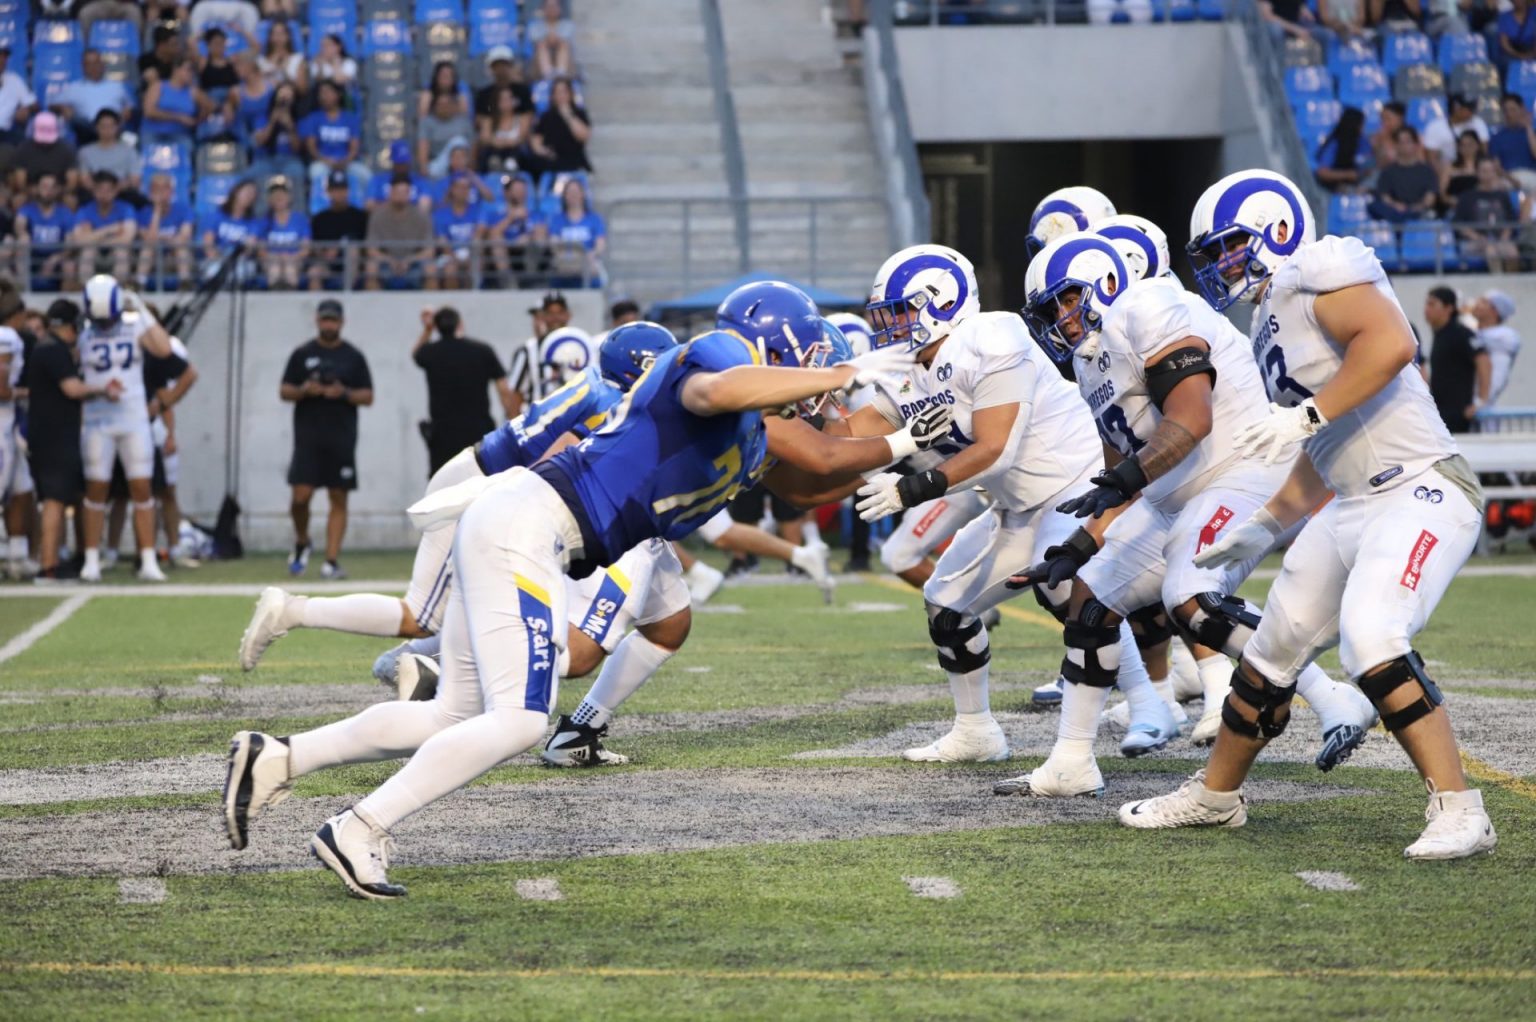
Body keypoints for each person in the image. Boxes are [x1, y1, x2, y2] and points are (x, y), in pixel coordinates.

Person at [224, 314, 928, 897]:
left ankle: (279, 758)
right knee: (522, 720)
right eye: (812, 367)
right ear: (775, 346)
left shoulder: (753, 432)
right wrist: (837, 374)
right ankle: (358, 827)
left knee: (455, 714)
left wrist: (912, 440)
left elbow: (816, 474)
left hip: (527, 526)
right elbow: (720, 388)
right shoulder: (713, 357)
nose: (824, 388)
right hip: (532, 524)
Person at [1123, 168, 1495, 861]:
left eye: (1231, 246)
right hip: (1353, 501)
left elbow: (1391, 344)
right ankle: (1216, 797)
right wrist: (1265, 524)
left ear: (1278, 228)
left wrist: (1309, 415)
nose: (1221, 265)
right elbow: (1319, 445)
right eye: (1213, 254)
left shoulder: (1317, 269)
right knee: (1268, 656)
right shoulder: (1269, 318)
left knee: (1371, 637)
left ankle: (1460, 809)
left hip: (1420, 485)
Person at [1004, 218, 1375, 797]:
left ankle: (1333, 698)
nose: (1062, 318)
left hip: (1242, 470)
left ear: (1105, 282)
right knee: (1089, 599)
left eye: (1068, 299)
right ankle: (1071, 762)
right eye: (1050, 310)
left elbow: (1192, 419)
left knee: (1191, 598)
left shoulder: (1148, 308)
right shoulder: (1087, 359)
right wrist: (1079, 545)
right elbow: (1122, 467)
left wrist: (1123, 481)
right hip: (1174, 492)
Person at [77, 276, 175, 582]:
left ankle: (148, 559)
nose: (105, 324)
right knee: (96, 489)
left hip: (132, 418)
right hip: (96, 418)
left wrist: (141, 309)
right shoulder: (83, 332)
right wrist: (97, 389)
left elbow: (164, 349)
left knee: (142, 488)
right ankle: (91, 559)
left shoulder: (134, 325)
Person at [280, 299, 373, 579]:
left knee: (338, 496)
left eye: (333, 320)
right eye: (325, 320)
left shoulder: (353, 357)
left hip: (341, 437)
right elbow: (284, 390)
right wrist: (305, 390)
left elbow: (368, 396)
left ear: (341, 322)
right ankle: (302, 540)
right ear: (317, 321)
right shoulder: (302, 354)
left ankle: (331, 561)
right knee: (300, 496)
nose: (329, 325)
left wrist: (343, 393)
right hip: (308, 437)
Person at [25, 299, 93, 581]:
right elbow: (73, 389)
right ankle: (48, 565)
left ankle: (64, 558)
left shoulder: (48, 348)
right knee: (54, 500)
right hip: (54, 436)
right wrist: (104, 389)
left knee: (68, 496)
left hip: (50, 435)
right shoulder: (52, 349)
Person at [411, 306, 513, 473]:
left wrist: (428, 329)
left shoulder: (431, 352)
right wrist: (511, 417)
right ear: (460, 324)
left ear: (437, 327)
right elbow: (503, 389)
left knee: (444, 481)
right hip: (478, 430)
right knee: (482, 478)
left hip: (443, 434)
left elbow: (416, 354)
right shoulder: (482, 351)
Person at [1424, 285, 1485, 433]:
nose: (1426, 309)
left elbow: (1484, 360)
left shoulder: (1461, 333)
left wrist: (1481, 400)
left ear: (1449, 308)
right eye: (1426, 304)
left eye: (1432, 304)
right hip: (1440, 412)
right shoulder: (1440, 334)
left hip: (1458, 415)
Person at [301, 80, 369, 202]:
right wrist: (327, 161)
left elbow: (354, 147)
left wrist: (345, 161)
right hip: (323, 162)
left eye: (327, 92)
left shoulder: (350, 118)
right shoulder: (314, 118)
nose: (323, 96)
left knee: (365, 175)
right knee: (316, 172)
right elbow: (311, 147)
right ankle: (320, 208)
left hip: (347, 162)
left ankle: (361, 208)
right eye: (321, 93)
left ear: (337, 95)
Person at [364, 173, 434, 290]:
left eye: (404, 192)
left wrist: (410, 260)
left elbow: (429, 251)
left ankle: (431, 301)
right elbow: (371, 250)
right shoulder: (378, 216)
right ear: (390, 192)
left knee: (430, 267)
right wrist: (390, 260)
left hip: (414, 263)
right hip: (386, 263)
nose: (401, 196)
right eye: (397, 192)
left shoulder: (421, 216)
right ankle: (373, 300)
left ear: (410, 193)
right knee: (371, 267)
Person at [1452, 154, 1521, 272]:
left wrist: (1504, 237)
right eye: (1484, 171)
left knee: (1512, 252)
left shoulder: (1503, 196)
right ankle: (1497, 280)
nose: (1488, 175)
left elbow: (1510, 221)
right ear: (1477, 172)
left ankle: (1512, 281)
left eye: (1491, 171)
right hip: (1474, 241)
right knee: (1491, 251)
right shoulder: (1467, 197)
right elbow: (1459, 223)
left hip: (1500, 239)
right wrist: (1477, 237)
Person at [54, 49, 136, 144]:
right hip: (86, 132)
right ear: (83, 67)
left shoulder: (116, 86)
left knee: (129, 137)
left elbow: (130, 106)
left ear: (102, 64)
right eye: (88, 64)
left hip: (113, 130)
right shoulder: (74, 88)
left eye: (96, 63)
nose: (93, 67)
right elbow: (53, 105)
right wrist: (62, 108)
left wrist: (127, 111)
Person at [71, 170, 138, 281]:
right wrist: (110, 229)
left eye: (108, 190)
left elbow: (127, 239)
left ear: (116, 191)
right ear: (94, 191)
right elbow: (79, 240)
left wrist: (93, 236)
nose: (104, 194)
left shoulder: (126, 209)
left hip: (114, 254)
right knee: (88, 251)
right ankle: (88, 288)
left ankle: (117, 289)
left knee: (121, 251)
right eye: (100, 190)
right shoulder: (85, 210)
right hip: (95, 255)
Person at [483, 173, 546, 288]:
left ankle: (533, 277)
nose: (521, 193)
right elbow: (492, 234)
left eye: (523, 190)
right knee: (496, 240)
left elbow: (542, 232)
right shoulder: (497, 215)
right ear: (506, 193)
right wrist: (511, 218)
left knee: (538, 234)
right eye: (516, 190)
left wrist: (529, 236)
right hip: (506, 250)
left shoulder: (535, 214)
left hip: (528, 250)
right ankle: (507, 281)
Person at [16, 173, 77, 290]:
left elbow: (69, 244)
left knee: (69, 265)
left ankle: (65, 299)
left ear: (57, 190)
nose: (48, 191)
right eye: (44, 186)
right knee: (21, 244)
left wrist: (55, 258)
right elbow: (19, 226)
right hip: (32, 255)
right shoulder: (27, 209)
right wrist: (22, 234)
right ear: (37, 189)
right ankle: (24, 293)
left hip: (56, 258)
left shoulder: (65, 212)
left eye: (52, 187)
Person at [309, 169, 367, 290]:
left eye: (342, 189)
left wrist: (340, 248)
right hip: (327, 264)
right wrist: (324, 253)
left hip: (355, 264)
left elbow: (365, 245)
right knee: (314, 272)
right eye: (335, 190)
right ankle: (317, 302)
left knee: (352, 251)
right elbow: (313, 247)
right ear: (328, 192)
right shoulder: (319, 218)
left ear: (348, 191)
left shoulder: (360, 216)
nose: (339, 193)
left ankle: (348, 294)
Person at [136, 172, 196, 288]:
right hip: (154, 259)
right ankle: (139, 284)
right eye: (156, 189)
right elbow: (149, 239)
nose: (161, 193)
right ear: (150, 192)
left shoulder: (184, 209)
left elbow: (184, 236)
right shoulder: (143, 213)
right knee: (148, 248)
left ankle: (185, 284)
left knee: (181, 247)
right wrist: (157, 210)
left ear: (172, 191)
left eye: (165, 188)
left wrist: (160, 238)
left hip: (174, 256)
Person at [1368, 126, 1440, 222]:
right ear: (1395, 145)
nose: (1403, 145)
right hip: (1394, 211)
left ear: (1416, 144)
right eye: (1400, 142)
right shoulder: (1388, 171)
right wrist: (1395, 205)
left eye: (1407, 141)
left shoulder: (1427, 171)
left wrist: (1415, 207)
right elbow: (1385, 196)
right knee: (1374, 206)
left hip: (1418, 213)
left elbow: (1430, 199)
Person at [424, 173, 480, 290]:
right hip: (448, 256)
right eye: (459, 187)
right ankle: (453, 299)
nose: (463, 191)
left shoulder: (477, 210)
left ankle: (473, 297)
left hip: (472, 254)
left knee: (475, 265)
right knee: (450, 269)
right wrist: (455, 257)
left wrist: (469, 255)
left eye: (466, 188)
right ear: (452, 190)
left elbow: (478, 235)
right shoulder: (440, 214)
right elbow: (442, 241)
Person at [545, 177, 605, 283]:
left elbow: (600, 245)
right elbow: (554, 244)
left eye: (576, 192)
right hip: (564, 264)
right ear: (564, 196)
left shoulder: (594, 219)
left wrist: (590, 254)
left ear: (583, 194)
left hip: (587, 263)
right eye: (570, 192)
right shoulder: (557, 220)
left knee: (594, 269)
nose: (573, 195)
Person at [247, 80, 304, 188]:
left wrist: (290, 127)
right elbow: (260, 142)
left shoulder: (299, 119)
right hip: (265, 158)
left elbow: (297, 148)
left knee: (297, 172)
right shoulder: (263, 116)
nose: (285, 98)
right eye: (282, 94)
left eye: (289, 94)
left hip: (290, 160)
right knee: (251, 175)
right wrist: (272, 122)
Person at [1469, 289, 1520, 410]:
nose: (1476, 304)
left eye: (1483, 302)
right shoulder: (1476, 334)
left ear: (1495, 311)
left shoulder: (1503, 338)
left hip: (1479, 409)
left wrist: (1479, 402)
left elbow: (1495, 379)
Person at [529, 77, 592, 174]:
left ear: (571, 94)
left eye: (564, 92)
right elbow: (536, 140)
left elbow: (583, 136)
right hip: (552, 161)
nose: (561, 95)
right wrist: (544, 151)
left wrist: (568, 115)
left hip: (574, 160)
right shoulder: (546, 116)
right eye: (557, 92)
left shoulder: (579, 113)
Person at [143, 58, 213, 143]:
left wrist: (199, 119)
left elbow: (211, 106)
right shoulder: (158, 86)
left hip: (181, 134)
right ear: (176, 70)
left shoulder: (193, 92)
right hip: (154, 133)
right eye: (188, 70)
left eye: (193, 71)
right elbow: (149, 112)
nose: (191, 73)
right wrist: (179, 117)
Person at [77, 110, 141, 198]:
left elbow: (134, 179)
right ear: (96, 127)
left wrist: (113, 190)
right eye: (103, 126)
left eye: (111, 126)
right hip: (94, 193)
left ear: (117, 127)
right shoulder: (85, 152)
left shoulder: (129, 151)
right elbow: (84, 179)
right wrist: (101, 190)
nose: (107, 130)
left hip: (122, 193)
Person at [259, 176, 309, 289]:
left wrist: (290, 257)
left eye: (283, 193)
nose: (279, 197)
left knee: (290, 268)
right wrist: (277, 257)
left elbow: (305, 249)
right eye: (274, 194)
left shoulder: (300, 219)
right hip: (271, 261)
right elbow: (261, 250)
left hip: (295, 260)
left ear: (290, 197)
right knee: (275, 267)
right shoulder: (264, 221)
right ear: (269, 199)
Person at [200, 178, 261, 269]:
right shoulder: (215, 216)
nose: (250, 196)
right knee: (214, 268)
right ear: (236, 191)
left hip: (239, 262)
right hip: (216, 260)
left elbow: (249, 249)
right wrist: (219, 260)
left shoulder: (254, 222)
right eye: (247, 192)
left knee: (242, 268)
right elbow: (208, 244)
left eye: (253, 194)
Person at [12, 112, 79, 193]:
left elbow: (72, 181)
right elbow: (20, 180)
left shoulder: (67, 149)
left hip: (59, 190)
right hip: (32, 190)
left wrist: (58, 191)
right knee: (19, 199)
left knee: (70, 199)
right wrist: (32, 191)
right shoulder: (24, 148)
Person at [1422, 94, 1490, 170]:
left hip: (1475, 169)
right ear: (1456, 108)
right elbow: (1431, 158)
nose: (1471, 113)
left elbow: (1484, 151)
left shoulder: (1478, 123)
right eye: (1469, 109)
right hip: (1446, 169)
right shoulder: (1435, 127)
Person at [417, 91, 474, 178]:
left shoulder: (463, 122)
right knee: (458, 140)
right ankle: (436, 173)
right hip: (438, 163)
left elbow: (473, 145)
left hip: (463, 164)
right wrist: (423, 166)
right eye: (440, 105)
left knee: (459, 141)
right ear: (434, 107)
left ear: (454, 106)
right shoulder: (427, 122)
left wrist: (472, 166)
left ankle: (460, 174)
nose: (444, 107)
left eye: (447, 104)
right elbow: (423, 145)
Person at [1314, 106, 1372, 191]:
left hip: (1358, 184)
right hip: (1332, 187)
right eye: (1360, 125)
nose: (1362, 128)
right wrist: (1347, 175)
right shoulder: (1334, 144)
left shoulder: (1362, 140)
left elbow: (1368, 161)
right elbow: (1322, 173)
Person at [476, 85, 533, 173]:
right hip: (494, 153)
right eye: (503, 99)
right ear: (497, 102)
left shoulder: (522, 118)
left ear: (514, 101)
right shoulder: (489, 120)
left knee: (517, 152)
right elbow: (484, 138)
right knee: (489, 153)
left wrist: (501, 142)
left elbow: (522, 138)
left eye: (509, 98)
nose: (506, 102)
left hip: (515, 155)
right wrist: (503, 142)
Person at [363, 140, 430, 211]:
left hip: (411, 217)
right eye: (400, 163)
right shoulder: (378, 180)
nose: (403, 166)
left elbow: (425, 207)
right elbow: (369, 205)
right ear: (393, 161)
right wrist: (395, 206)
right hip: (385, 216)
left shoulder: (419, 181)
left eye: (405, 163)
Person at [1492, 94, 1536, 193]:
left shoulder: (1532, 133)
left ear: (1522, 109)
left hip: (1532, 176)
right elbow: (1496, 166)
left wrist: (1528, 127)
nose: (1509, 114)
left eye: (1513, 109)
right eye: (1505, 110)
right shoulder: (1497, 137)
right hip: (1508, 177)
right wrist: (1512, 180)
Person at [474, 47, 532, 120]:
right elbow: (480, 118)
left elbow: (528, 115)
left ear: (511, 66)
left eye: (504, 64)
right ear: (491, 68)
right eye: (497, 65)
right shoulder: (483, 94)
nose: (501, 69)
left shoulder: (523, 91)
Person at [530, 0, 576, 79]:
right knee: (541, 45)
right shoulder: (535, 26)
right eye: (549, 6)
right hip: (538, 64)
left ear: (560, 9)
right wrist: (548, 39)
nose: (551, 9)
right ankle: (548, 75)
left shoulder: (568, 25)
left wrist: (553, 38)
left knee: (563, 45)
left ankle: (560, 74)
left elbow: (565, 41)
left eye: (554, 6)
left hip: (566, 61)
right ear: (543, 9)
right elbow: (534, 42)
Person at [0, 46, 37, 146]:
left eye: (4, 57)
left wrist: (26, 109)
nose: (2, 60)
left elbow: (35, 105)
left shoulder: (14, 80)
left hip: (4, 133)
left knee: (23, 141)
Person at [257, 19, 307, 92]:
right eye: (275, 33)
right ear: (270, 37)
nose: (278, 37)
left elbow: (302, 89)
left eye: (281, 33)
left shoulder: (298, 59)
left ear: (288, 36)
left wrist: (284, 73)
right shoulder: (261, 60)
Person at [1439, 129, 1484, 208]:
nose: (1467, 148)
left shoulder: (1485, 166)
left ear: (1478, 145)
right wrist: (1451, 200)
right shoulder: (1450, 168)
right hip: (1455, 206)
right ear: (1458, 147)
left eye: (1470, 144)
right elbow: (1442, 194)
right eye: (1463, 145)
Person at [197, 27, 240, 97]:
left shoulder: (231, 60)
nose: (219, 46)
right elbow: (190, 42)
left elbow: (255, 48)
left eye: (222, 43)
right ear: (209, 45)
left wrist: (241, 31)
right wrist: (200, 35)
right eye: (216, 43)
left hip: (229, 100)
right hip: (209, 100)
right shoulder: (203, 62)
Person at [1497, 0, 1536, 70]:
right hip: (1512, 52)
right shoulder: (1504, 16)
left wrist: (1532, 54)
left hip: (1531, 50)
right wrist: (1519, 55)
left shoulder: (1533, 13)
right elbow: (1504, 43)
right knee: (1506, 63)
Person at [1368, 101, 1406, 168]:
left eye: (1388, 118)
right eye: (1382, 119)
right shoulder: (1378, 137)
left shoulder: (1413, 138)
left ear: (1401, 118)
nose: (1384, 122)